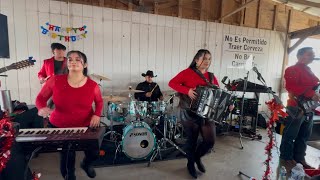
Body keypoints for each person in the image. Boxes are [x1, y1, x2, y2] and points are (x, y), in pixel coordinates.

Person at [36, 50, 103, 180]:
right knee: (67, 158)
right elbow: (40, 98)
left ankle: (86, 164)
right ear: (67, 64)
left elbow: (99, 102)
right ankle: (70, 176)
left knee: (94, 153)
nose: (73, 61)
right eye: (70, 59)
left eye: (78, 59)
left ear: (85, 65)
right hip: (60, 125)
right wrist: (41, 108)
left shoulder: (93, 85)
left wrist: (97, 115)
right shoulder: (55, 80)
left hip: (86, 125)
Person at [169, 49, 226, 179]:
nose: (207, 62)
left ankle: (196, 158)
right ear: (196, 60)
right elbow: (172, 83)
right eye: (204, 59)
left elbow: (218, 94)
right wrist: (187, 90)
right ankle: (190, 163)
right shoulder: (187, 73)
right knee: (192, 141)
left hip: (206, 114)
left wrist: (227, 103)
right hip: (189, 113)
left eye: (209, 59)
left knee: (209, 141)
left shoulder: (211, 77)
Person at [280, 47, 320, 171]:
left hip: (309, 108)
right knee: (290, 134)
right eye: (310, 54)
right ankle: (286, 158)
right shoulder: (292, 70)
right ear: (301, 56)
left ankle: (300, 158)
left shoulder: (309, 70)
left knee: (304, 135)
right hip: (296, 107)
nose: (313, 56)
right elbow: (291, 87)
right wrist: (311, 94)